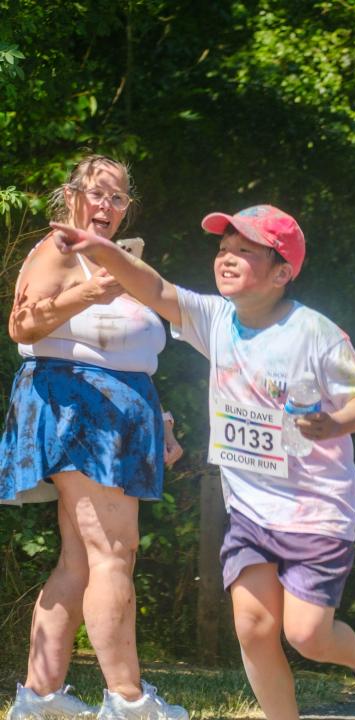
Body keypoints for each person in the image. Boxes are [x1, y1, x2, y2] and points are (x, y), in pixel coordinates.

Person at [50, 204, 355, 720]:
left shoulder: (314, 333)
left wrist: (334, 424)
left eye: (246, 252)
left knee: (307, 635)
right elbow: (155, 289)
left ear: (282, 273)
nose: (227, 258)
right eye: (224, 249)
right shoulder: (216, 319)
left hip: (316, 511)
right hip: (249, 509)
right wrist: (101, 249)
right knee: (252, 626)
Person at [0, 155, 186, 720]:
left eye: (118, 197)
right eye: (96, 194)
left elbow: (128, 352)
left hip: (117, 414)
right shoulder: (59, 249)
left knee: (80, 559)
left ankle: (41, 697)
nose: (106, 206)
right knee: (113, 553)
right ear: (72, 195)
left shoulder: (114, 257)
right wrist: (91, 294)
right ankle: (129, 702)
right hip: (76, 407)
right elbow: (21, 325)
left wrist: (161, 421)